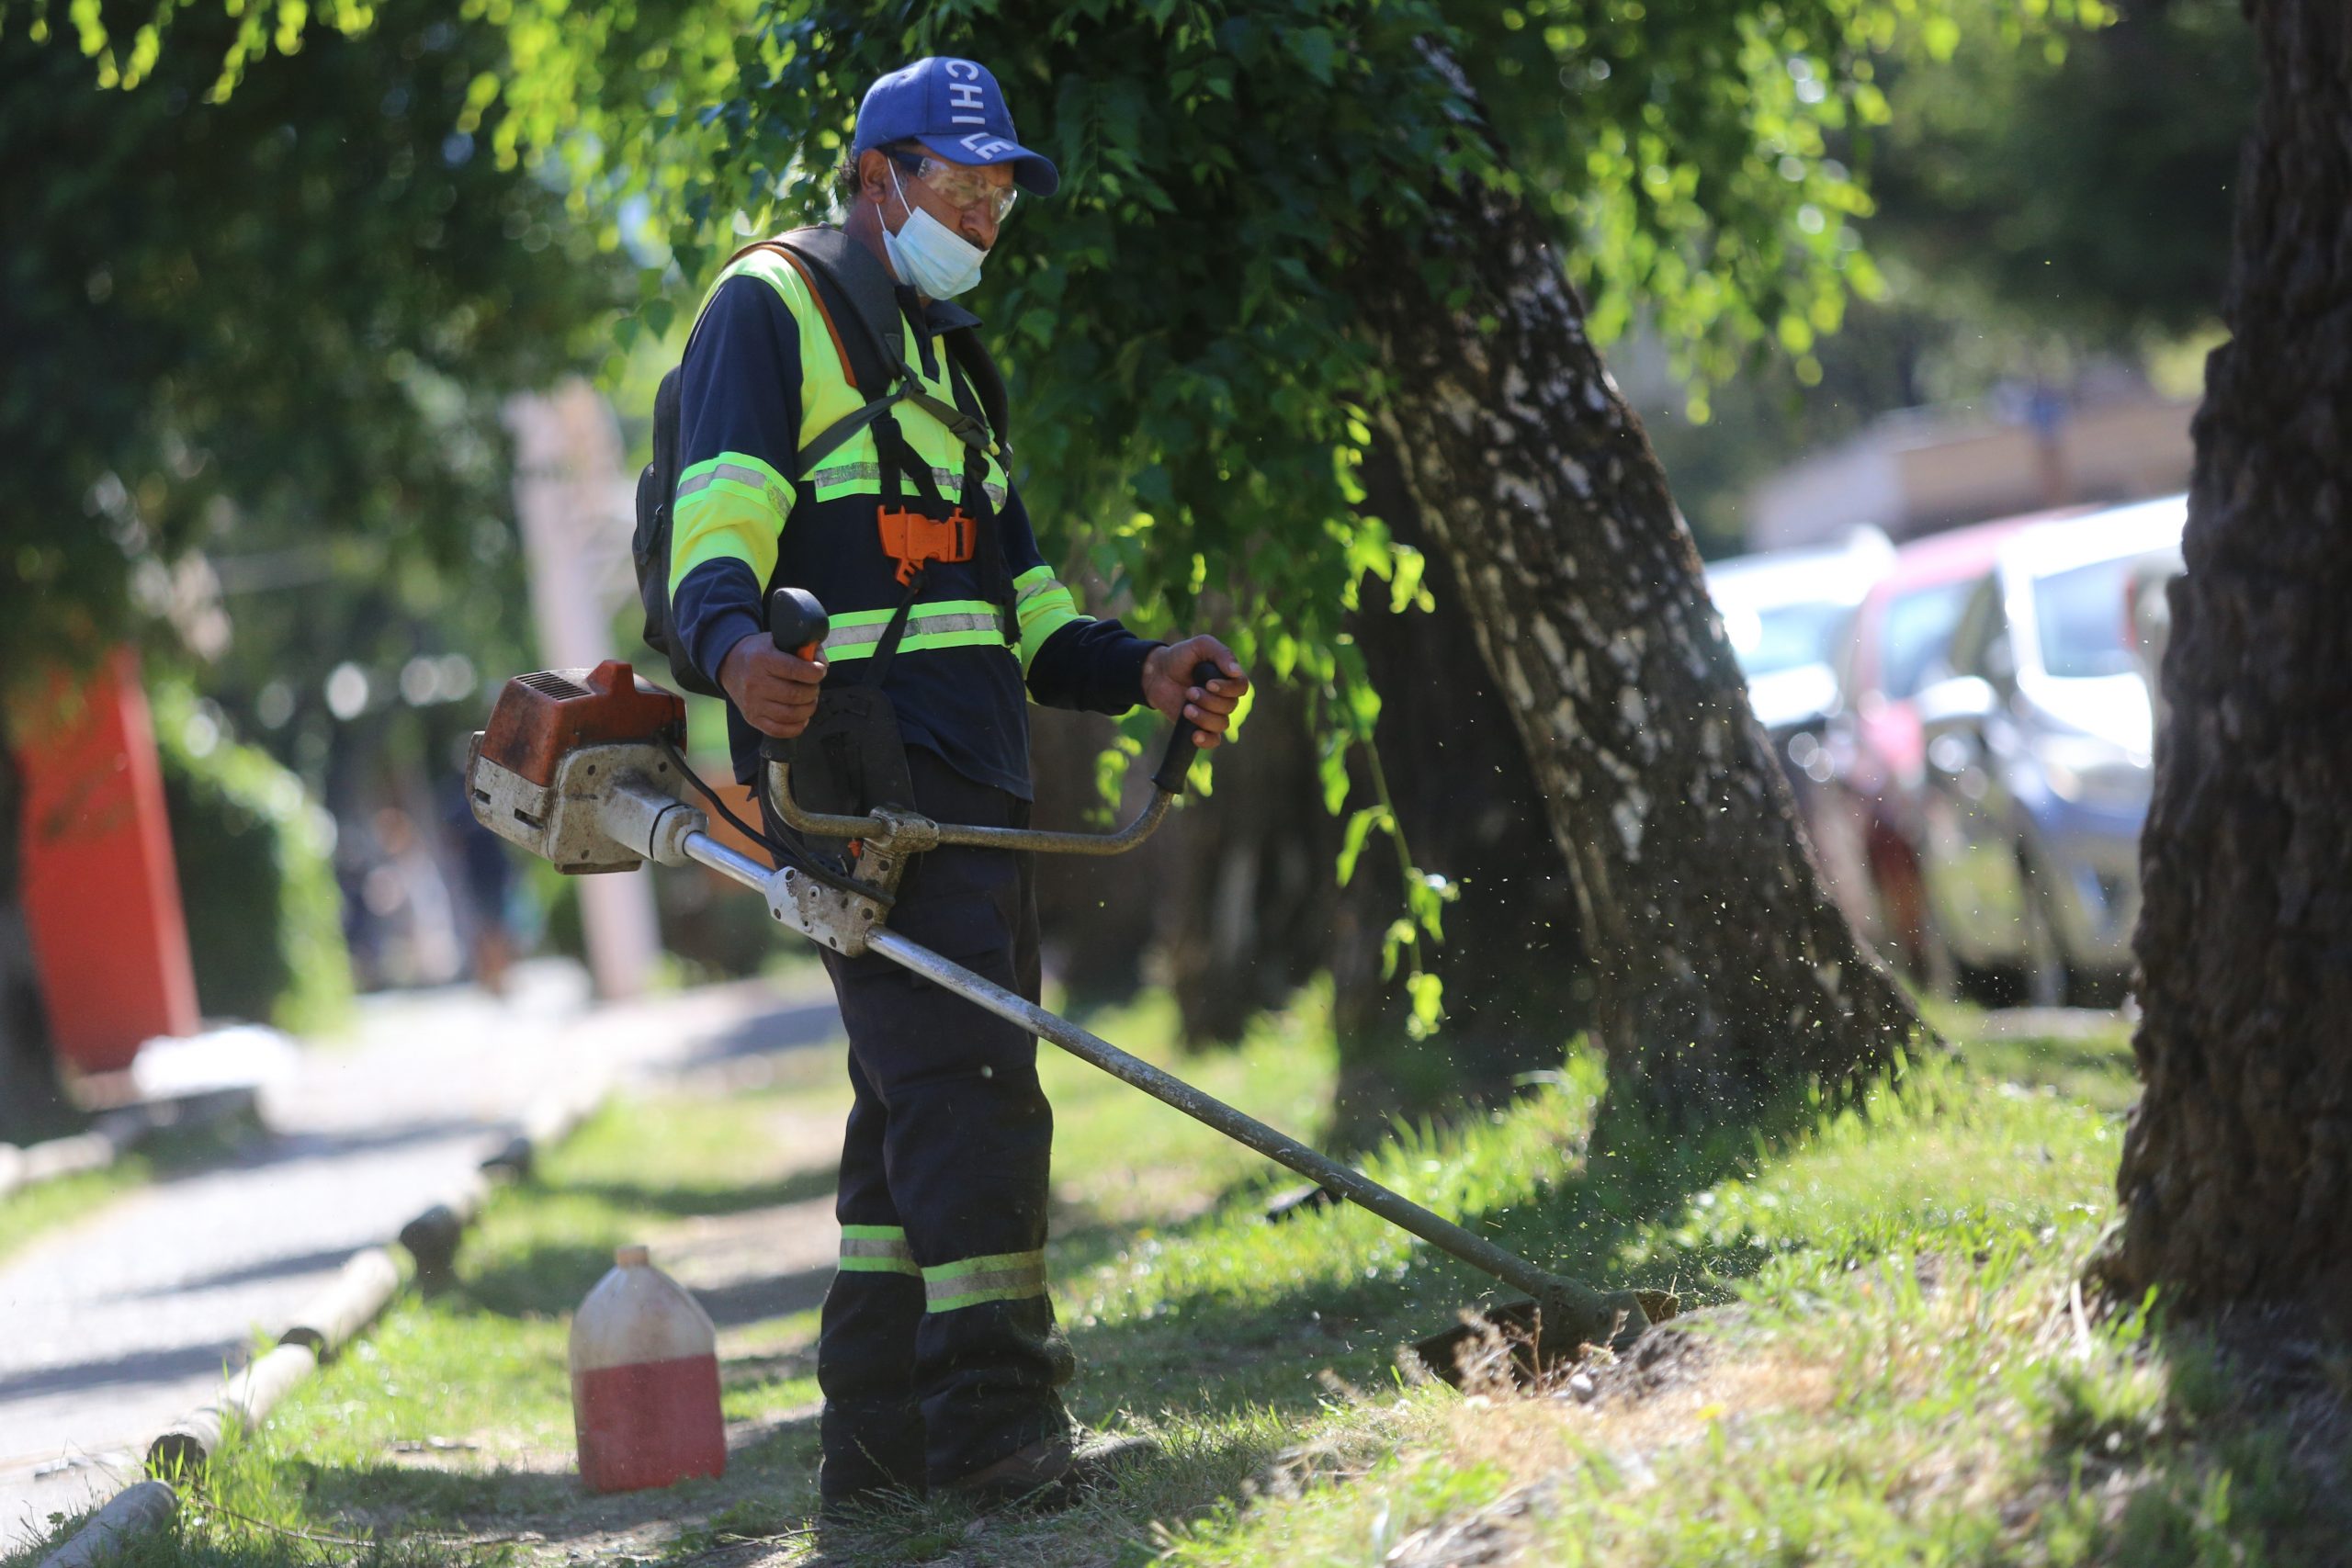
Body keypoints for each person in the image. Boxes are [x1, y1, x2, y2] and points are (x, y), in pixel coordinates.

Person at [665, 57, 1249, 1512]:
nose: (983, 221)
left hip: (974, 785)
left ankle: (874, 1458)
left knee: (909, 1106)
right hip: (856, 786)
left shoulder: (955, 367)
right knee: (974, 1092)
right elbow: (713, 524)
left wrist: (1141, 671)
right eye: (960, 190)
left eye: (999, 200)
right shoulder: (771, 308)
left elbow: (1025, 607)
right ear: (878, 180)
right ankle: (997, 1437)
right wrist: (735, 652)